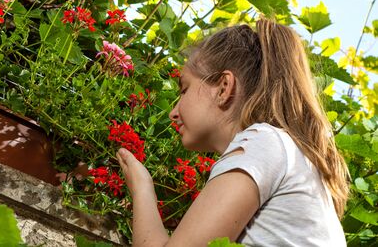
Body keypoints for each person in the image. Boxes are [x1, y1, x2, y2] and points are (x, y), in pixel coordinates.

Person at [116, 19, 350, 246]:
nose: (173, 112)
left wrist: (142, 187)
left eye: (184, 89)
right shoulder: (287, 153)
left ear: (224, 88)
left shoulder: (264, 143)